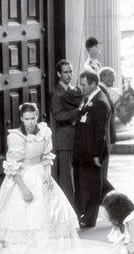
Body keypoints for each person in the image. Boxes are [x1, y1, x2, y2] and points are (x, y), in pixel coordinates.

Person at [0, 103, 79, 253]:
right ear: (21, 119)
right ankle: (27, 253)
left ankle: (46, 251)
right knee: (25, 216)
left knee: (50, 211)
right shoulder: (15, 137)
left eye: (33, 118)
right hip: (22, 177)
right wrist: (24, 190)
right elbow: (13, 166)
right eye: (27, 119)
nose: (30, 122)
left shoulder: (44, 132)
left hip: (40, 173)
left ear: (37, 116)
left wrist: (47, 175)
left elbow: (46, 156)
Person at [73, 70, 111, 229]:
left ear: (93, 84)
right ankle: (122, 206)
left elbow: (100, 132)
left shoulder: (100, 102)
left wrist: (97, 154)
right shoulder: (89, 98)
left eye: (83, 84)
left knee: (93, 187)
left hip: (92, 153)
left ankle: (89, 219)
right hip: (83, 152)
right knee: (95, 185)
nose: (81, 87)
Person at [50, 59, 83, 204]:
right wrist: (77, 111)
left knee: (77, 173)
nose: (69, 75)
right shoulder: (56, 93)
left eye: (71, 71)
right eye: (66, 72)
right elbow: (58, 115)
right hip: (64, 138)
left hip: (77, 136)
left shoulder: (75, 90)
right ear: (58, 74)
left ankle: (78, 206)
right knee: (66, 177)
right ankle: (69, 209)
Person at [97, 67, 117, 198]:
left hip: (108, 137)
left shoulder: (105, 91)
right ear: (103, 77)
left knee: (104, 170)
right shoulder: (101, 92)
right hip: (104, 138)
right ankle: (104, 194)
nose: (114, 79)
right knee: (102, 170)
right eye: (111, 76)